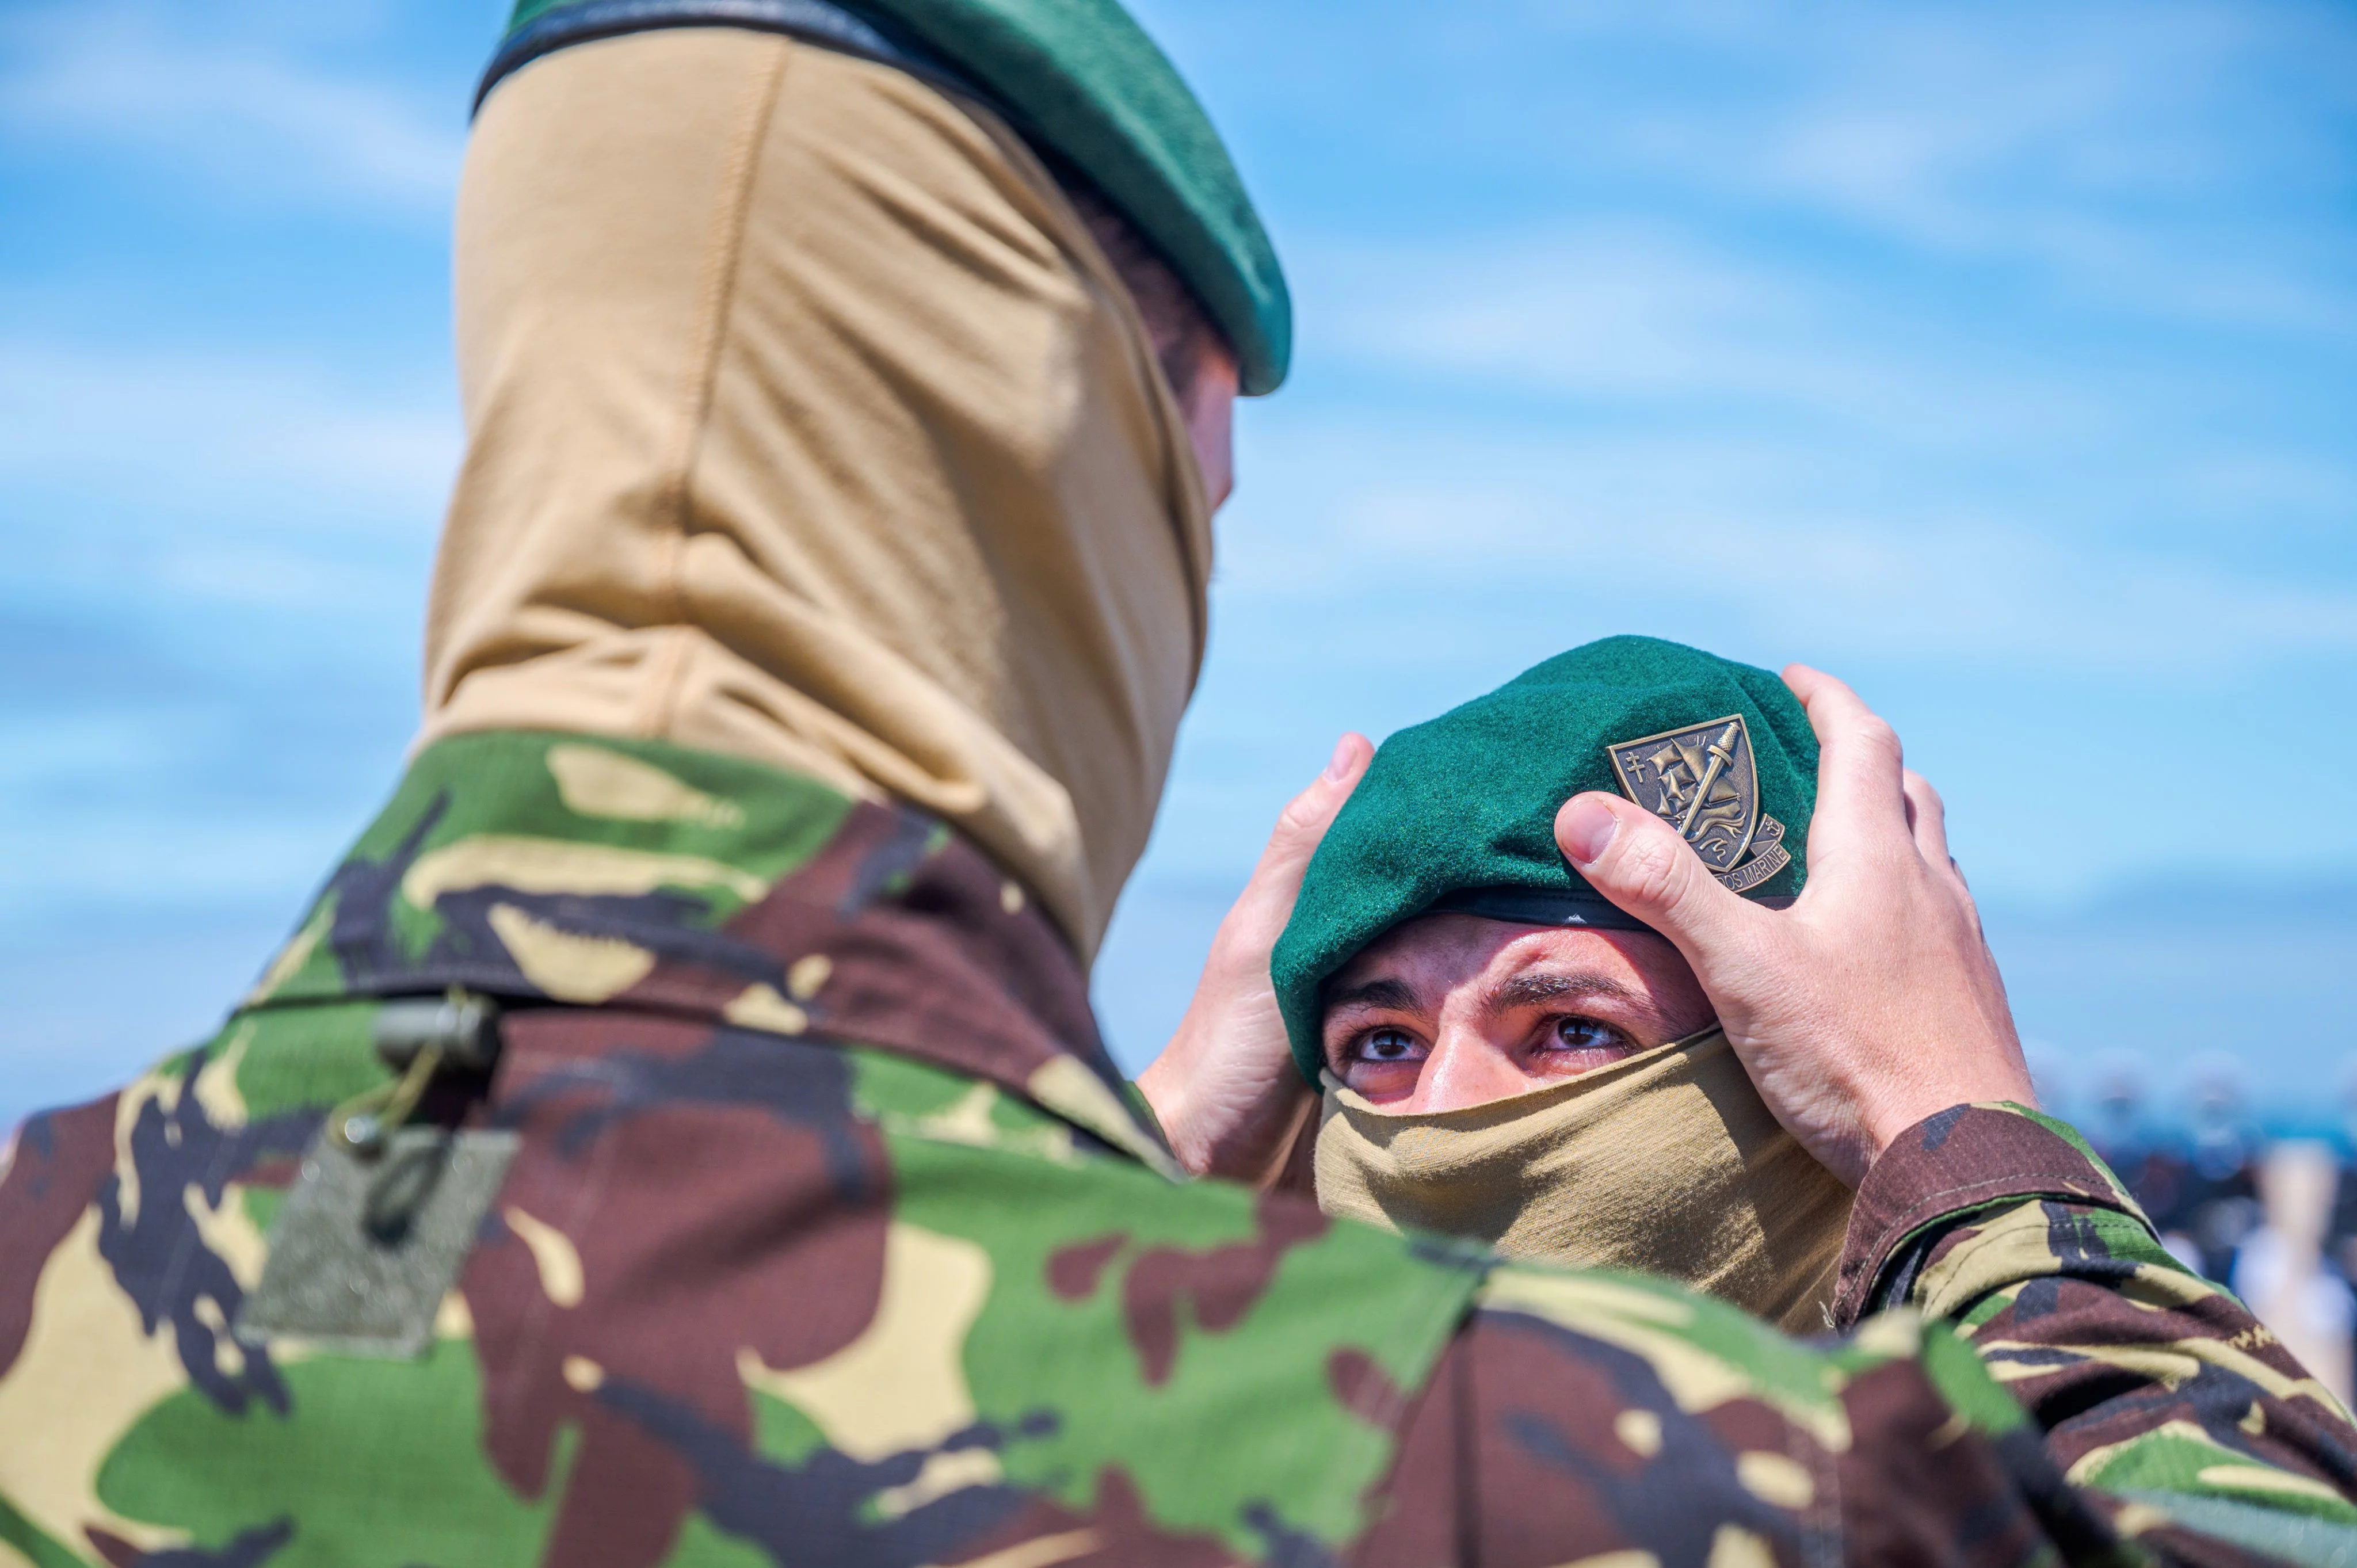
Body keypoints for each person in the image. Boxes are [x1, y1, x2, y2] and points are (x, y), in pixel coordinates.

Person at [0, 5, 2351, 1565]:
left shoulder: (63, 1262)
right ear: (1084, 477)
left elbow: (438, 1296)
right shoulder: (1467, 1455)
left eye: (1560, 1030)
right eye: (1201, 465)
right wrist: (1969, 1132)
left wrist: (1089, 1141)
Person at [1283, 638, 1856, 1333]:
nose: (1434, 1117)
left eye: (1574, 1031)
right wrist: (1189, 1133)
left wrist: (1945, 1132)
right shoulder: (1243, 1426)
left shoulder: (1974, 1430)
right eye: (1385, 1043)